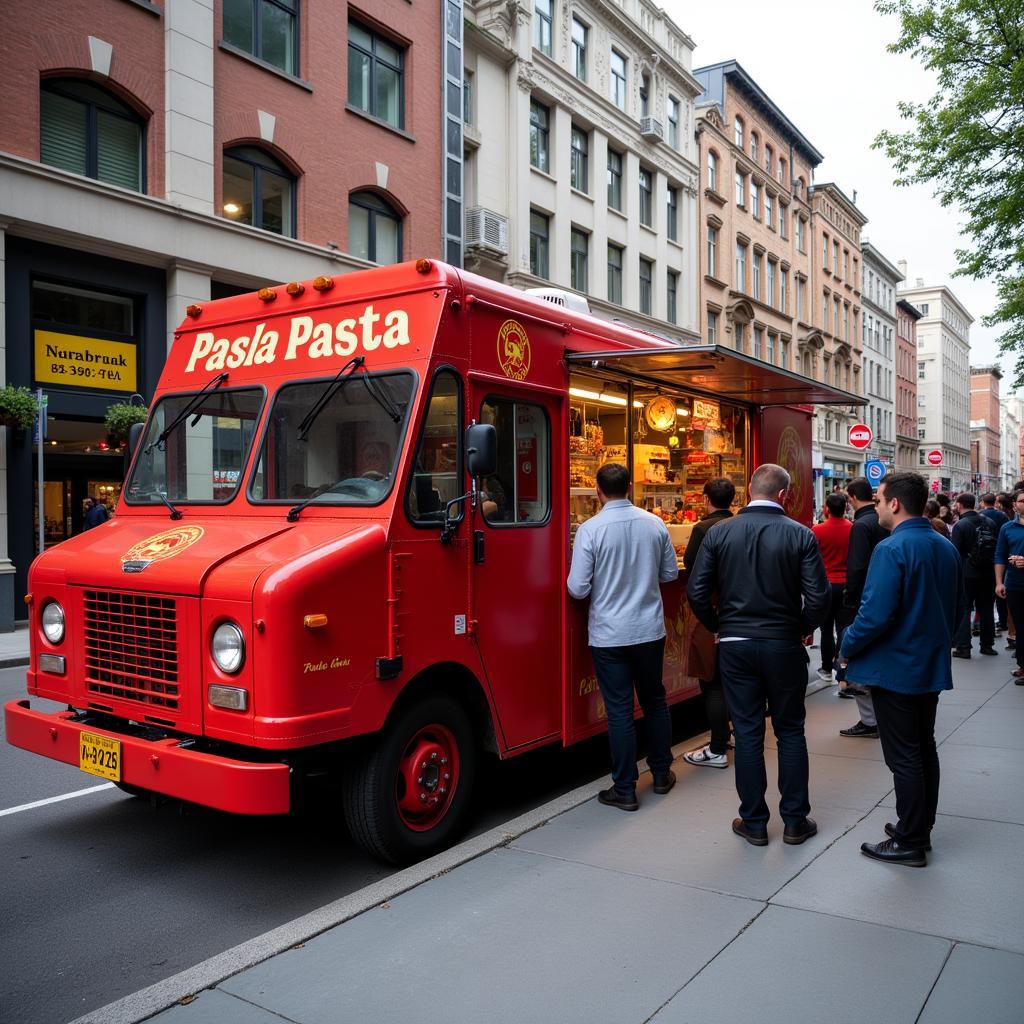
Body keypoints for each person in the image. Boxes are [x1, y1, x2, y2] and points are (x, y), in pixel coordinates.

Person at [687, 463, 829, 847]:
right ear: (783, 495)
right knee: (790, 730)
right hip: (783, 642)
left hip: (735, 643)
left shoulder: (720, 533)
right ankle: (796, 820)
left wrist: (719, 625)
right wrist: (800, 627)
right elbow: (819, 597)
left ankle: (753, 821)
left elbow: (696, 591)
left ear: (749, 488)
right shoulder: (801, 535)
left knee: (747, 733)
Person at [839, 472, 963, 866]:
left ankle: (910, 839)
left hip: (896, 667)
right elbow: (959, 610)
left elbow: (874, 614)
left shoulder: (891, 549)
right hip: (927, 663)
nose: (875, 505)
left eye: (878, 499)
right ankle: (918, 826)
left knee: (905, 756)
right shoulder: (945, 546)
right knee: (924, 748)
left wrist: (847, 647)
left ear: (894, 503)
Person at [567, 462, 679, 810]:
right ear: (630, 487)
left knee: (619, 710)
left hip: (610, 634)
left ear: (598, 491)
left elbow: (577, 589)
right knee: (655, 701)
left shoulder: (590, 529)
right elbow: (670, 573)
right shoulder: (655, 523)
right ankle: (661, 773)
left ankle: (625, 788)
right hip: (648, 629)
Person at [681, 477, 735, 770]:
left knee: (712, 683)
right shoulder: (739, 525)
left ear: (705, 499)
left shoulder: (703, 528)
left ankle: (717, 746)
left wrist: (710, 621)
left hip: (714, 611)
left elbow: (692, 568)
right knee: (731, 682)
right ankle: (729, 736)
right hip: (737, 612)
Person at [836, 477, 890, 739]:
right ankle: (880, 716)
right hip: (885, 596)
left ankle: (870, 720)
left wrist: (850, 595)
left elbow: (856, 566)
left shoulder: (862, 525)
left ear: (851, 498)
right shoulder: (882, 522)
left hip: (865, 600)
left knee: (857, 658)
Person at [950, 493, 997, 658]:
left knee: (964, 608)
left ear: (960, 505)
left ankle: (963, 646)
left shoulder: (961, 525)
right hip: (988, 572)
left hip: (967, 572)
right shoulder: (989, 522)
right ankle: (987, 644)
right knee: (986, 608)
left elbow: (954, 552)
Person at [812, 492, 852, 683]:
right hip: (846, 584)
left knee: (826, 629)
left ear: (826, 508)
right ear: (846, 508)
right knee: (844, 628)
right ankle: (842, 667)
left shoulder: (817, 530)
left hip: (825, 584)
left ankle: (827, 667)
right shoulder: (853, 529)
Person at [994, 490, 1024, 683]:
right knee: (1020, 626)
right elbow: (999, 555)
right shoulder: (1007, 528)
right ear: (1015, 505)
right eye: (1022, 500)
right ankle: (1022, 665)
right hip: (1015, 584)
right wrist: (999, 582)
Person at [981, 493, 1009, 634]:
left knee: (986, 595)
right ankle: (1003, 621)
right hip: (1000, 556)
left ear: (983, 502)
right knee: (1000, 592)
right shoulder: (1002, 516)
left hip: (985, 558)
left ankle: (983, 623)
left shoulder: (980, 515)